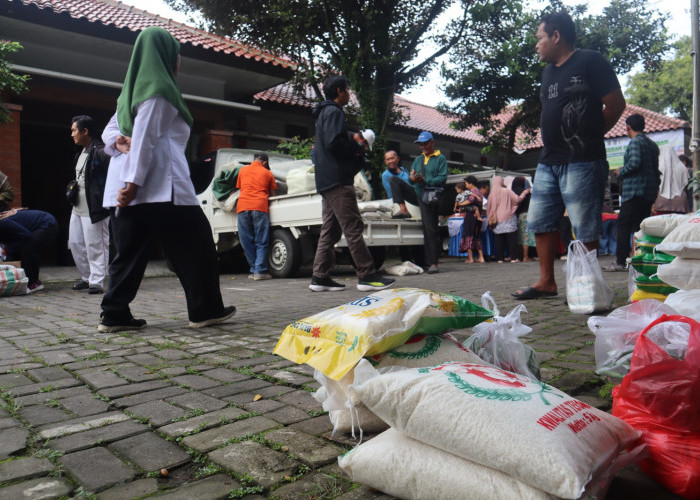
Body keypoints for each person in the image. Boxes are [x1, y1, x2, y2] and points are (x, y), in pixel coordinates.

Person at [99, 26, 235, 332]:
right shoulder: (159, 89)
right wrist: (133, 184)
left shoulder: (129, 92)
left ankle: (114, 313)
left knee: (129, 253)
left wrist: (117, 143)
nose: (178, 63)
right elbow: (146, 140)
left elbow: (110, 132)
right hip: (161, 187)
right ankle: (204, 310)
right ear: (164, 55)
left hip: (130, 190)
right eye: (176, 55)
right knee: (197, 246)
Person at [513, 10, 625, 299]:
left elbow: (615, 104)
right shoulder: (548, 72)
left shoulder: (590, 61)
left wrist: (591, 135)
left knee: (583, 224)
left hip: (583, 159)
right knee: (540, 220)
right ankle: (546, 282)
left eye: (539, 38)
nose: (536, 44)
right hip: (549, 160)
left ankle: (587, 286)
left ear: (556, 36)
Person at [309, 75, 394, 292]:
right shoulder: (335, 112)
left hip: (326, 180)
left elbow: (329, 142)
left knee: (330, 230)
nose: (349, 94)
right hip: (338, 180)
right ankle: (367, 275)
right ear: (340, 91)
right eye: (348, 89)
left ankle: (320, 277)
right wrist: (357, 150)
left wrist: (350, 140)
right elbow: (335, 143)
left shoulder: (323, 114)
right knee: (353, 227)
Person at [603, 114, 660, 272]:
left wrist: (621, 171)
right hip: (648, 192)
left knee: (623, 226)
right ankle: (641, 259)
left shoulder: (635, 143)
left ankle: (620, 262)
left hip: (633, 192)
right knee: (640, 228)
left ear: (628, 127)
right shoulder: (652, 145)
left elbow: (635, 163)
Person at [68, 115, 111, 294]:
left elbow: (113, 175)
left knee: (96, 245)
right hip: (77, 207)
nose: (72, 134)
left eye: (74, 130)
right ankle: (86, 277)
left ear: (85, 131)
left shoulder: (101, 151)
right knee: (75, 243)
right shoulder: (81, 152)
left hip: (95, 208)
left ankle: (97, 281)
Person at [410, 131, 448, 273]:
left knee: (430, 229)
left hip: (430, 196)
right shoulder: (417, 160)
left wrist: (425, 180)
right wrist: (412, 178)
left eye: (425, 143)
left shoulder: (440, 158)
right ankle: (401, 207)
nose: (423, 146)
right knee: (395, 181)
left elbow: (442, 178)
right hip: (417, 193)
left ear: (432, 142)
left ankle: (432, 263)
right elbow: (411, 177)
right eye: (420, 144)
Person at [236, 152, 277, 280]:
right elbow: (273, 194)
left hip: (242, 207)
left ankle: (254, 270)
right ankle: (259, 271)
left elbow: (239, 188)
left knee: (247, 240)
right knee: (261, 241)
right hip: (260, 207)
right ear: (264, 162)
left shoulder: (243, 170)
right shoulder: (267, 173)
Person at [0, 208, 58, 293]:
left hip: (46, 223)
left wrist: (7, 250)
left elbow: (26, 236)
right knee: (17, 249)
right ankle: (21, 280)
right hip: (33, 228)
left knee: (28, 249)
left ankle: (34, 283)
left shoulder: (3, 223)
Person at [487, 176, 530, 264]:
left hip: (497, 219)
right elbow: (517, 200)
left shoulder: (491, 194)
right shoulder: (507, 191)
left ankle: (500, 259)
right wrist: (524, 193)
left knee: (499, 240)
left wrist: (489, 220)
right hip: (509, 217)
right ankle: (513, 258)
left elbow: (489, 208)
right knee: (512, 239)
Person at [652, 146, 690, 215]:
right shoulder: (682, 167)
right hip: (680, 203)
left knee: (660, 224)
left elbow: (654, 186)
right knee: (679, 225)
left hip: (661, 202)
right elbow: (687, 186)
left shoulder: (658, 166)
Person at [457, 176, 484, 264]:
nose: (465, 185)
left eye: (466, 183)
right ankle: (481, 257)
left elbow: (470, 201)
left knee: (468, 235)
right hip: (478, 216)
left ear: (470, 183)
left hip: (471, 216)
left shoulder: (472, 192)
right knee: (476, 236)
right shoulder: (479, 191)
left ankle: (471, 258)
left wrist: (460, 204)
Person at [511, 176, 534, 261]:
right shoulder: (527, 192)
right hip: (527, 214)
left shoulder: (512, 192)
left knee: (518, 236)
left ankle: (519, 255)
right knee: (526, 236)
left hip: (515, 216)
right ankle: (525, 256)